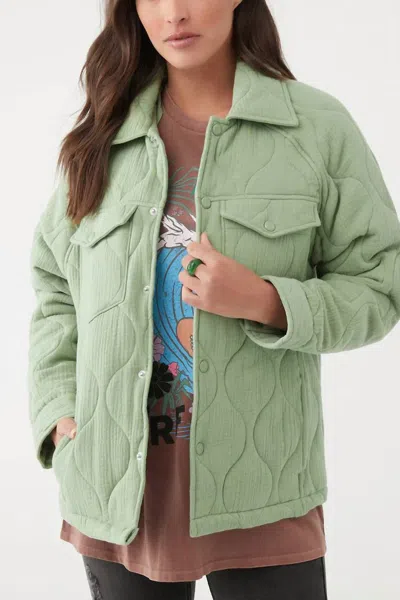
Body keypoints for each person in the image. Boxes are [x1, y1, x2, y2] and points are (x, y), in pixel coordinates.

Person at [27, 0, 400, 598]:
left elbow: (381, 283)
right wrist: (57, 411)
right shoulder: (104, 132)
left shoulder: (316, 128)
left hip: (264, 491)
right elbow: (55, 285)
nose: (174, 12)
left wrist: (268, 302)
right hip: (115, 491)